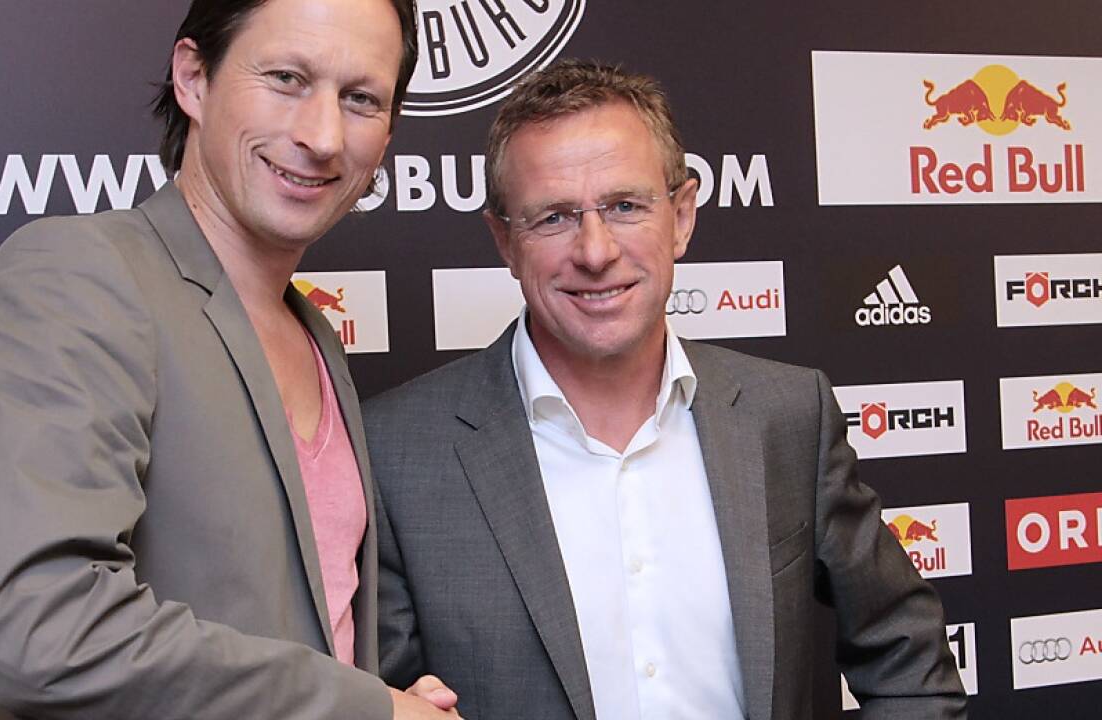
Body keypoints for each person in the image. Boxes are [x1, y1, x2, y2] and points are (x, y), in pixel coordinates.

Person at [369, 60, 968, 720]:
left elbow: (908, 654)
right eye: (554, 218)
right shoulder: (396, 453)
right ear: (504, 241)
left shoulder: (788, 416)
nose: (595, 251)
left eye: (625, 206)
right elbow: (379, 697)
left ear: (681, 216)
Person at [0, 1, 459, 718]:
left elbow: (304, 634)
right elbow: (41, 632)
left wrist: (384, 696)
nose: (321, 136)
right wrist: (365, 710)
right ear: (193, 78)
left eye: (360, 99)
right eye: (287, 78)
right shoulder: (78, 272)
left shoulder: (312, 333)